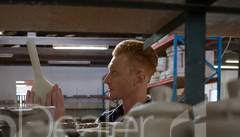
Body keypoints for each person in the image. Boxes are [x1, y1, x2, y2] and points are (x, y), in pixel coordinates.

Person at [26, 40, 158, 123]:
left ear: (139, 79)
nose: (106, 80)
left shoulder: (162, 122)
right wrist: (57, 125)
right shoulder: (105, 120)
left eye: (115, 72)